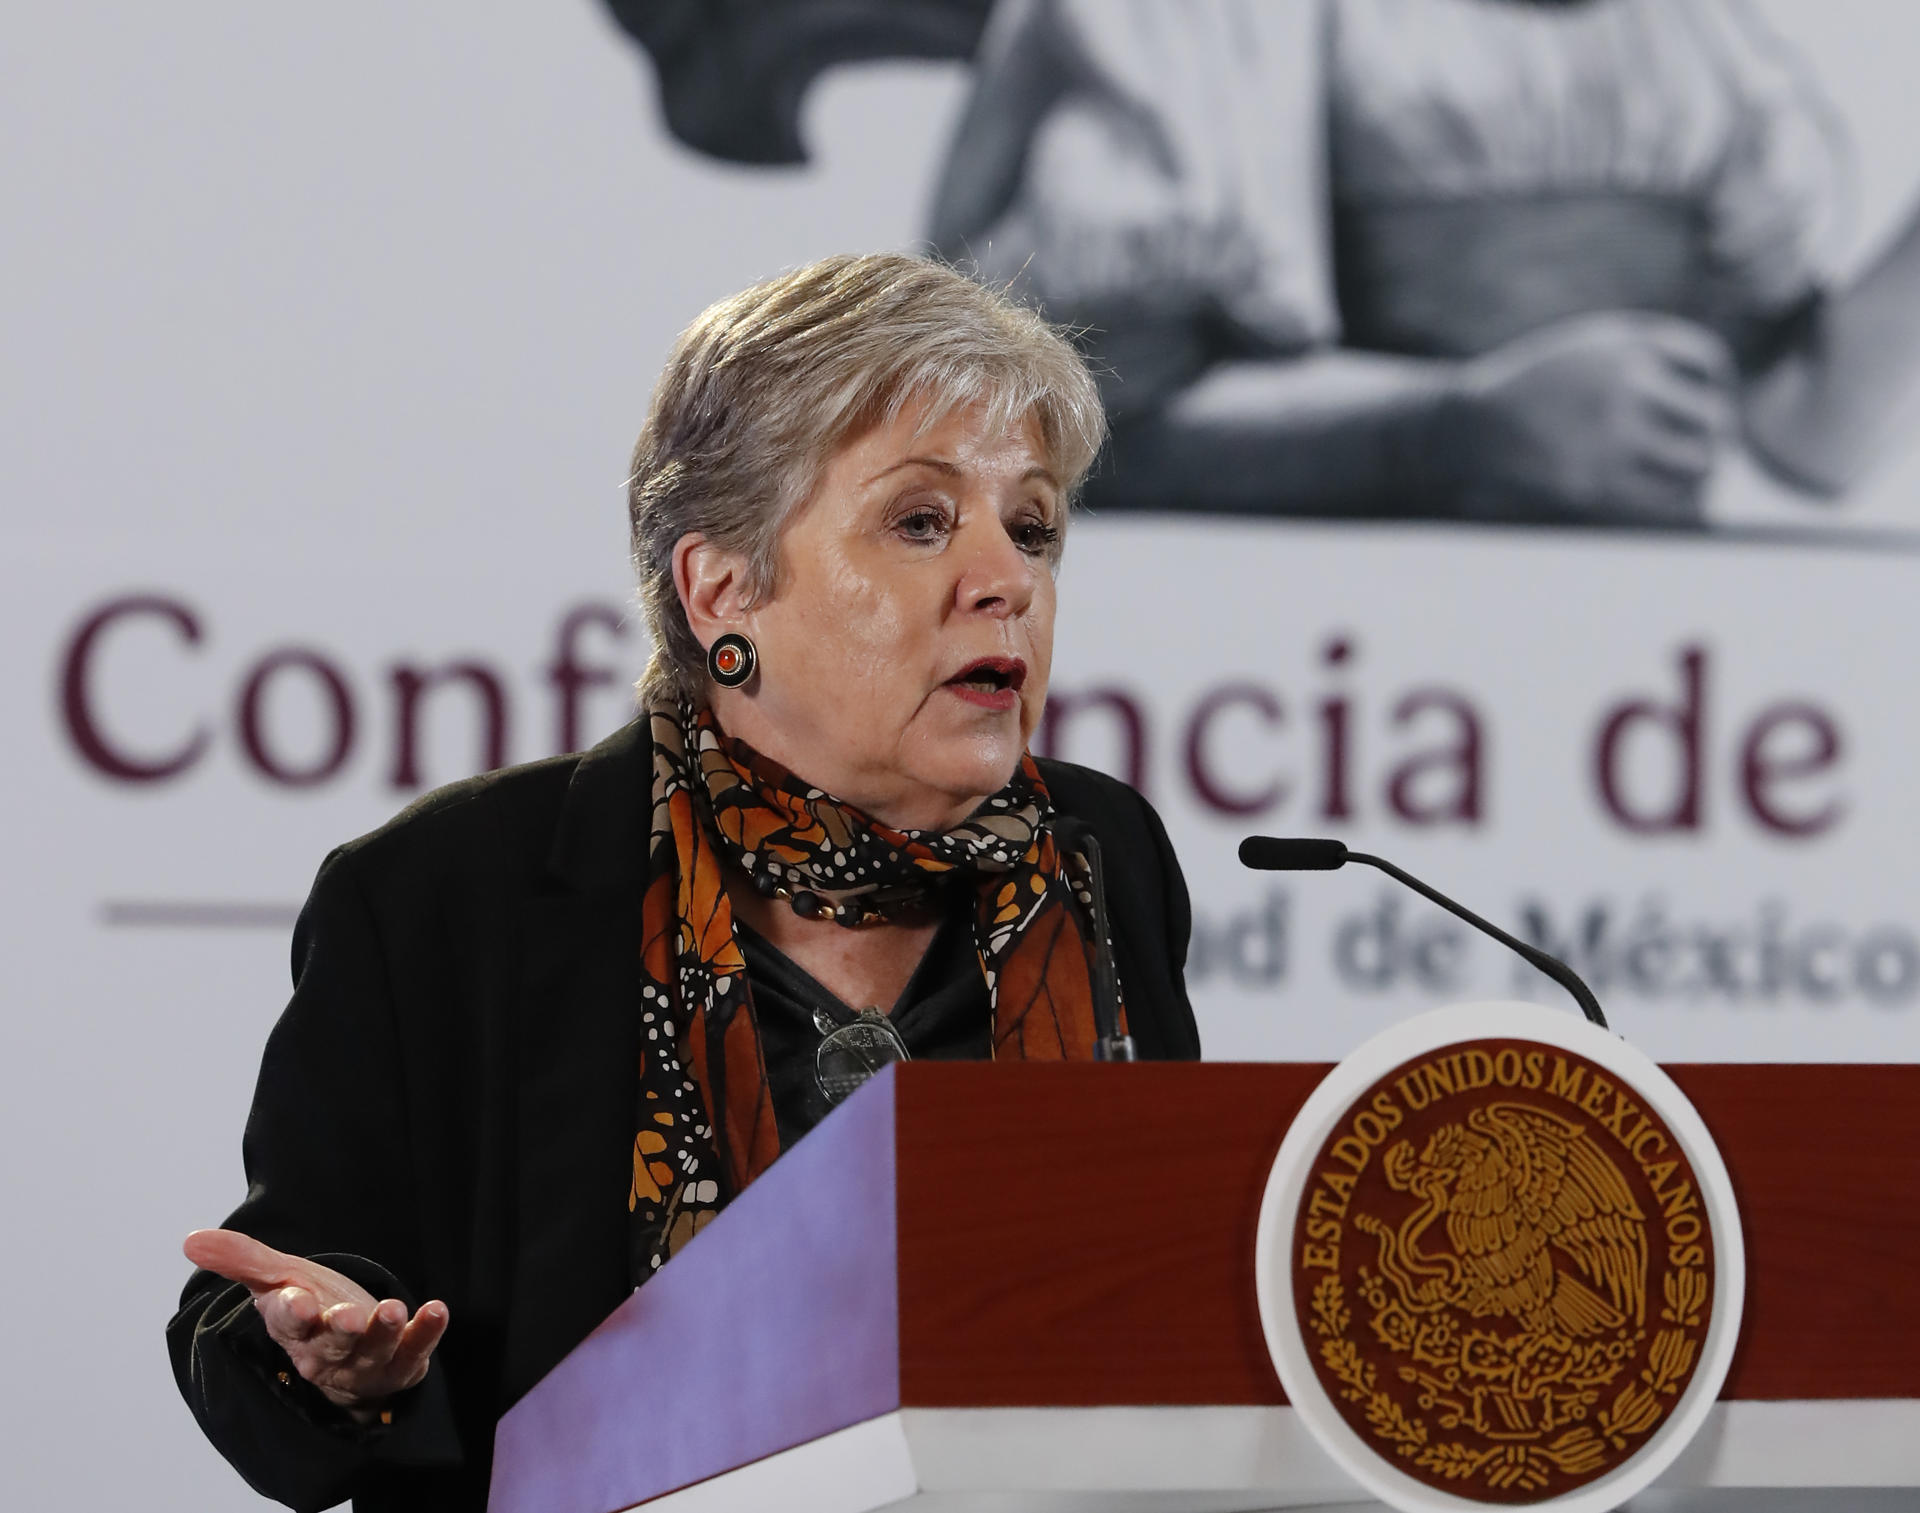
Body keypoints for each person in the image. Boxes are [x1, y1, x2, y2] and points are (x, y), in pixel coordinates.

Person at [167, 252, 1201, 1512]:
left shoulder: (1099, 856)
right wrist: (328, 1359)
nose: (1009, 578)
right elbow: (283, 1290)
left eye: (1030, 525)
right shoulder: (450, 894)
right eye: (922, 520)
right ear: (724, 587)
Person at [930, 0, 1920, 524]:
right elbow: (1074, 430)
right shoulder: (1202, 22)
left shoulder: (1694, 44)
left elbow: (1804, 432)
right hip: (1317, 677)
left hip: (1623, 677)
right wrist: (1457, 427)